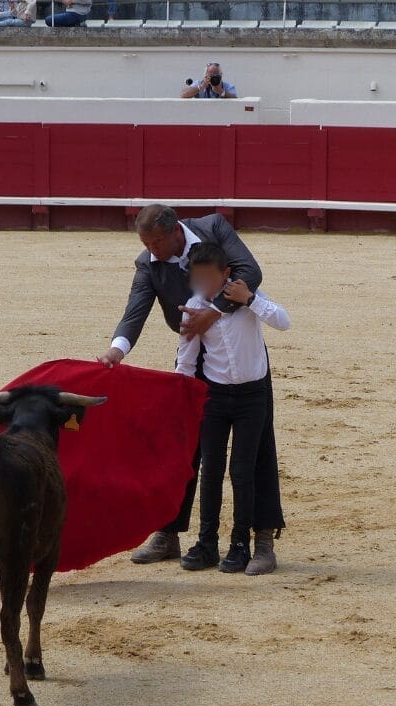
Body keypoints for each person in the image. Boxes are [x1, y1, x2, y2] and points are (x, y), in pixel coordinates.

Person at [97, 204, 286, 564]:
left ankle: (262, 539)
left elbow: (251, 272)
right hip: (193, 351)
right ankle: (169, 533)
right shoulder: (148, 264)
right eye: (145, 242)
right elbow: (135, 311)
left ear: (175, 232)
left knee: (256, 446)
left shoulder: (213, 227)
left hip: (244, 357)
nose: (150, 249)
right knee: (182, 444)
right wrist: (116, 350)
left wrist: (212, 313)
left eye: (155, 241)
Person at [175, 243, 290, 574]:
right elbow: (186, 360)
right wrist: (181, 398)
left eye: (209, 278)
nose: (204, 286)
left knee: (242, 470)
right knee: (210, 469)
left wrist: (251, 299)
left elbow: (284, 322)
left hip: (253, 397)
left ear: (226, 274)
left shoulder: (247, 296)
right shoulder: (196, 307)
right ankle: (206, 543)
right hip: (214, 396)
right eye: (197, 279)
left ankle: (240, 544)